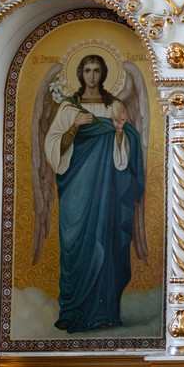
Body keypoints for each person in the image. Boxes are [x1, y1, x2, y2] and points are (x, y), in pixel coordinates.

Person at [42, 55, 146, 332]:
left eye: (96, 70)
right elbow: (53, 147)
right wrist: (76, 125)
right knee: (73, 243)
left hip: (106, 189)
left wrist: (120, 132)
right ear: (80, 73)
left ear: (103, 74)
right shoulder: (68, 107)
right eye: (87, 70)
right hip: (75, 188)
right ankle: (71, 310)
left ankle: (103, 312)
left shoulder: (115, 106)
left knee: (105, 242)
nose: (91, 76)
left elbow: (125, 155)